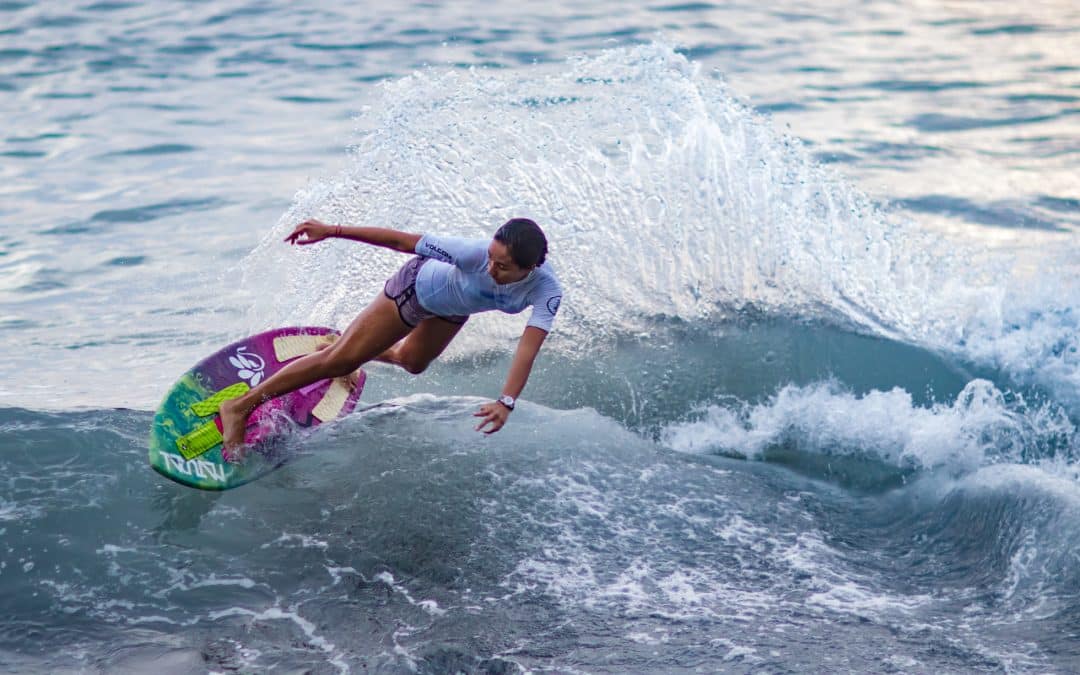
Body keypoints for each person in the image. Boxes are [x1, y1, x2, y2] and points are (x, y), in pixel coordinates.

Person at [218, 217, 563, 457]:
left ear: (529, 268)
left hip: (452, 310)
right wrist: (332, 230)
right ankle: (240, 406)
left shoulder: (546, 291)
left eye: (502, 267)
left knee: (411, 362)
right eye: (490, 258)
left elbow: (527, 348)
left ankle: (348, 344)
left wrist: (506, 401)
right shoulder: (471, 253)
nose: (490, 269)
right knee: (339, 363)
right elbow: (402, 241)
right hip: (413, 291)